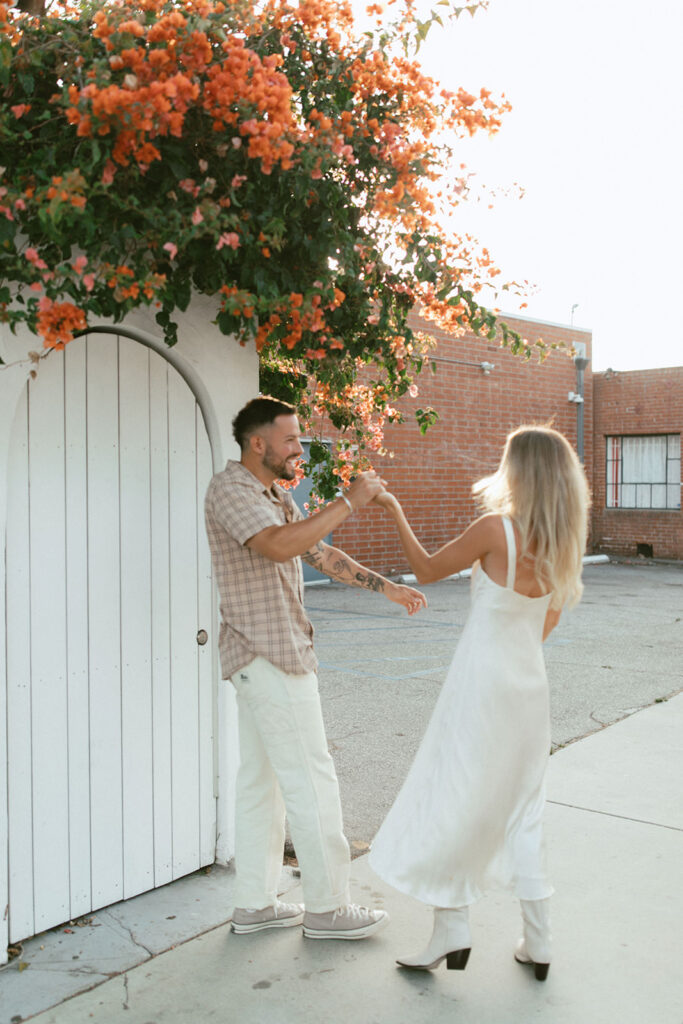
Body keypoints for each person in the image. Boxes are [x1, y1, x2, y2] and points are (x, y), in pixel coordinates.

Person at [368, 424, 590, 979]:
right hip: (527, 689)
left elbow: (424, 570)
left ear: (520, 473)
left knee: (454, 798)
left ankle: (452, 928)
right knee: (523, 810)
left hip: (481, 686)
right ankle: (538, 943)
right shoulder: (565, 545)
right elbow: (545, 626)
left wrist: (393, 507)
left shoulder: (496, 530)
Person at [204, 396, 427, 941]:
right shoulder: (231, 490)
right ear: (258, 443)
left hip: (270, 655)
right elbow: (279, 547)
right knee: (312, 779)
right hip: (269, 655)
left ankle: (254, 904)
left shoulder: (274, 494)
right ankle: (328, 908)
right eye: (291, 440)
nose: (299, 450)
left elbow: (318, 554)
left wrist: (388, 586)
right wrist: (350, 501)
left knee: (264, 784)